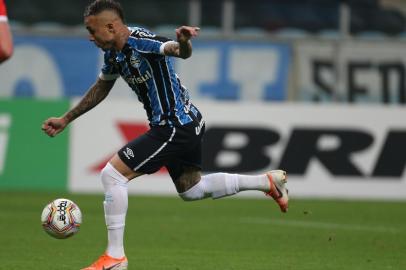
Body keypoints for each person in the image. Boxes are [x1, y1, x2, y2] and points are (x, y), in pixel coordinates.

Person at [42, 1, 289, 269]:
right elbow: (103, 86)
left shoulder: (141, 41)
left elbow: (175, 50)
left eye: (92, 30)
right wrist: (67, 118)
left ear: (111, 26)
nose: (90, 36)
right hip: (187, 122)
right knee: (192, 190)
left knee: (112, 174)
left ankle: (115, 257)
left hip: (174, 125)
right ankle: (267, 182)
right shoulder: (113, 53)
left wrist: (183, 42)